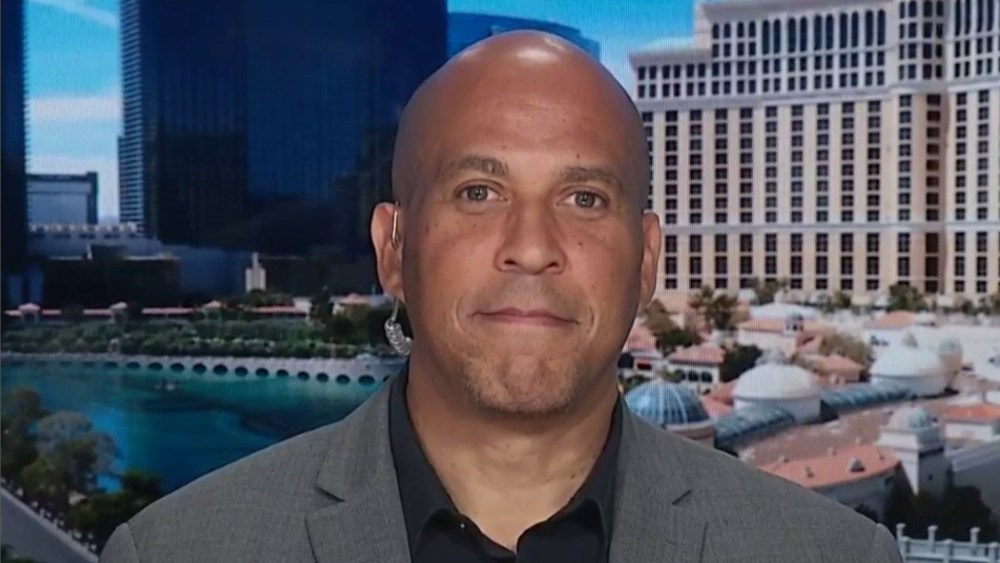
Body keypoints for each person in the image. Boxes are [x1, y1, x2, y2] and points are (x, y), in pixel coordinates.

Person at [100, 31, 903, 563]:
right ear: (393, 248)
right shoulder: (179, 550)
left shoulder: (830, 554)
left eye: (584, 198)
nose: (532, 244)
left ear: (647, 260)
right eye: (479, 192)